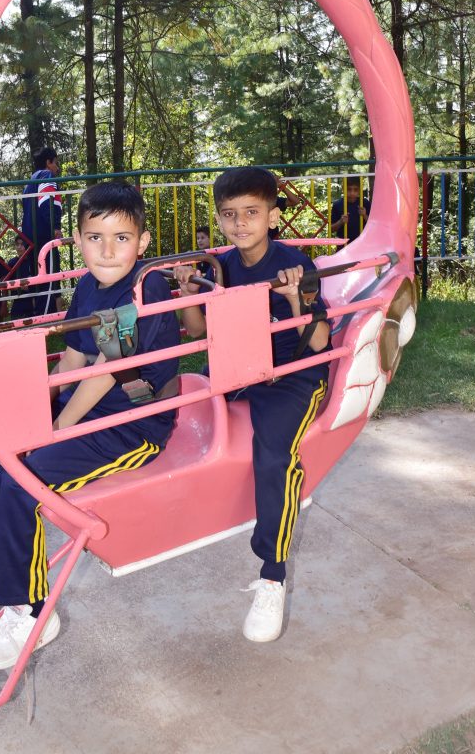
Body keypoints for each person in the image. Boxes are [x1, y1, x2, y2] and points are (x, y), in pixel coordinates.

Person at [0, 181, 181, 671]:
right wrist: (31, 411)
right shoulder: (90, 285)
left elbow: (106, 372)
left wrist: (52, 431)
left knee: (23, 480)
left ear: (143, 242)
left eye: (121, 238)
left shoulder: (144, 287)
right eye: (95, 238)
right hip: (86, 408)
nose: (107, 251)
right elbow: (72, 358)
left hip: (131, 424)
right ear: (78, 240)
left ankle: (28, 612)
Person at [174, 167, 330, 644]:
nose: (240, 223)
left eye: (252, 213)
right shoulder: (218, 266)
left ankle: (272, 575)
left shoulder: (295, 265)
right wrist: (187, 293)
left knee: (273, 454)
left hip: (290, 375)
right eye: (229, 214)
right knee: (174, 408)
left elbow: (319, 341)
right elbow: (197, 331)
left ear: (273, 216)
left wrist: (296, 299)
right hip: (239, 369)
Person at [21, 146, 63, 315]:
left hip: (30, 236)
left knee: (38, 278)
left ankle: (40, 315)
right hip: (44, 235)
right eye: (56, 163)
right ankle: (45, 319)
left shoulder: (30, 181)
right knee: (49, 278)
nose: (57, 168)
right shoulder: (46, 175)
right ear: (48, 162)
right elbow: (47, 202)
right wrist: (55, 226)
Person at [330, 176, 370, 241]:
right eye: (349, 189)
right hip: (344, 244)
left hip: (363, 242)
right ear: (343, 189)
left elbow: (374, 226)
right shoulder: (337, 205)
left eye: (355, 189)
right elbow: (331, 229)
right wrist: (340, 222)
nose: (352, 193)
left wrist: (364, 215)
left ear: (360, 190)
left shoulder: (365, 203)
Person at [5, 235, 33, 321]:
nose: (19, 247)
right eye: (17, 244)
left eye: (22, 244)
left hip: (33, 300)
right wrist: (20, 286)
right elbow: (6, 284)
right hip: (18, 301)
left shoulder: (33, 262)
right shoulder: (12, 263)